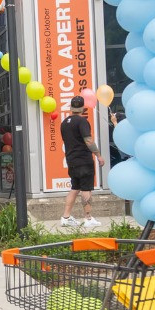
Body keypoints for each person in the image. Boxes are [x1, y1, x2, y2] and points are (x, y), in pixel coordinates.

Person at [58, 97, 102, 229]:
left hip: (71, 160)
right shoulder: (82, 121)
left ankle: (66, 217)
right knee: (86, 189)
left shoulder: (64, 123)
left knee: (75, 188)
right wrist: (98, 155)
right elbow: (88, 140)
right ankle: (88, 218)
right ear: (83, 108)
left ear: (71, 108)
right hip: (83, 159)